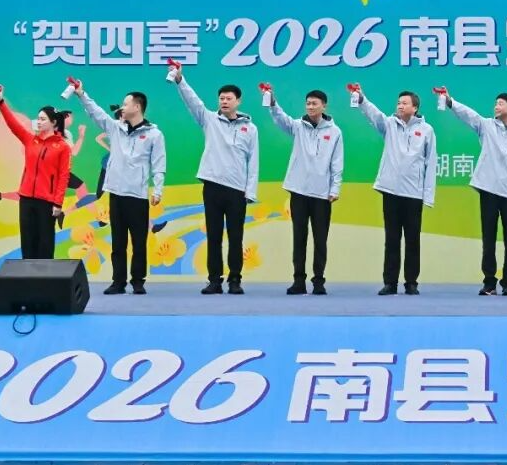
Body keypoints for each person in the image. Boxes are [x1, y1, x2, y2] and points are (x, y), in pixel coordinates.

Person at [170, 65, 259, 295]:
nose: (224, 102)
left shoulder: (250, 128)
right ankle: (214, 281)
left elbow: (253, 162)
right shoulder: (209, 119)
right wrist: (180, 80)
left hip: (237, 190)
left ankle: (235, 280)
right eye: (221, 98)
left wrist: (250, 191)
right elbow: (192, 101)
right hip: (212, 186)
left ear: (238, 101)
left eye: (229, 98)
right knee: (214, 236)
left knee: (236, 237)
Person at [72, 83, 166, 295]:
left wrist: (158, 190)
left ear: (137, 107)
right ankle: (118, 281)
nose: (122, 107)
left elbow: (159, 164)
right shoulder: (115, 128)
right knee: (118, 241)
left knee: (139, 242)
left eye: (126, 103)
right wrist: (81, 94)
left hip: (138, 196)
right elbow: (96, 113)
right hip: (116, 194)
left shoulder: (154, 134)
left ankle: (138, 281)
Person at [441, 88, 507, 296]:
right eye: (495, 103)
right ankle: (489, 282)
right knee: (488, 239)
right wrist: (450, 102)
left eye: (501, 103)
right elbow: (468, 114)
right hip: (489, 190)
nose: (496, 106)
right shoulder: (486, 125)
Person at [354, 87, 436, 296]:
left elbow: (431, 163)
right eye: (399, 103)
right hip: (390, 190)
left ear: (415, 107)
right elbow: (374, 115)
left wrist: (428, 195)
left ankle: (411, 283)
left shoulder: (427, 130)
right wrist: (362, 99)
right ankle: (390, 283)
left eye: (404, 103)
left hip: (414, 193)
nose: (400, 106)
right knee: (391, 239)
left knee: (412, 240)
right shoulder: (389, 124)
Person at [269, 89, 343, 296]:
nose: (310, 106)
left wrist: (335, 188)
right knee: (299, 238)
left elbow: (337, 162)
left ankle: (319, 282)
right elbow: (280, 119)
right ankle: (298, 281)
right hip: (299, 191)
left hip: (322, 194)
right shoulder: (298, 126)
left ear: (324, 106)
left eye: (314, 103)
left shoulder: (335, 132)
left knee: (320, 240)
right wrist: (272, 102)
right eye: (308, 103)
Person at [0, 83, 71, 259]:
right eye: (38, 118)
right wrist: (1, 102)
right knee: (27, 241)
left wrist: (58, 203)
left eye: (43, 119)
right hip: (26, 199)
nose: (38, 122)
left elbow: (64, 176)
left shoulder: (62, 147)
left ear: (53, 123)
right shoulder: (30, 140)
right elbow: (13, 124)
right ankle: (27, 274)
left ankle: (45, 275)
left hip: (47, 202)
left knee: (45, 243)